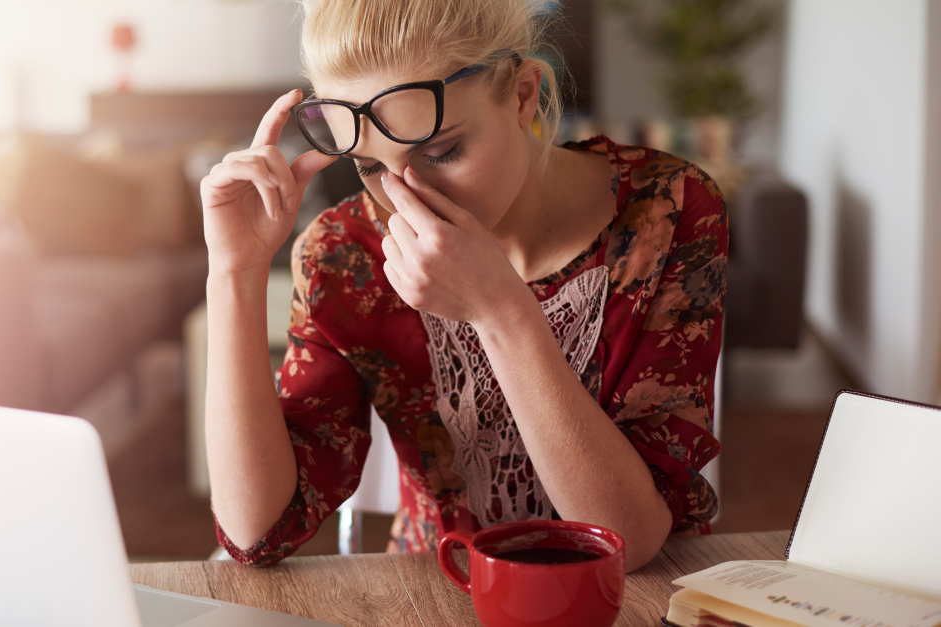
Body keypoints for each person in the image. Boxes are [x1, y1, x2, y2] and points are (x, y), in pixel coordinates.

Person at [200, 0, 725, 573]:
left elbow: (630, 540)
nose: (408, 197)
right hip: (437, 589)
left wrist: (500, 310)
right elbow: (257, 532)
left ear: (524, 94)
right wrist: (235, 271)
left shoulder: (667, 210)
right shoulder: (346, 253)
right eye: (370, 167)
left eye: (440, 151)